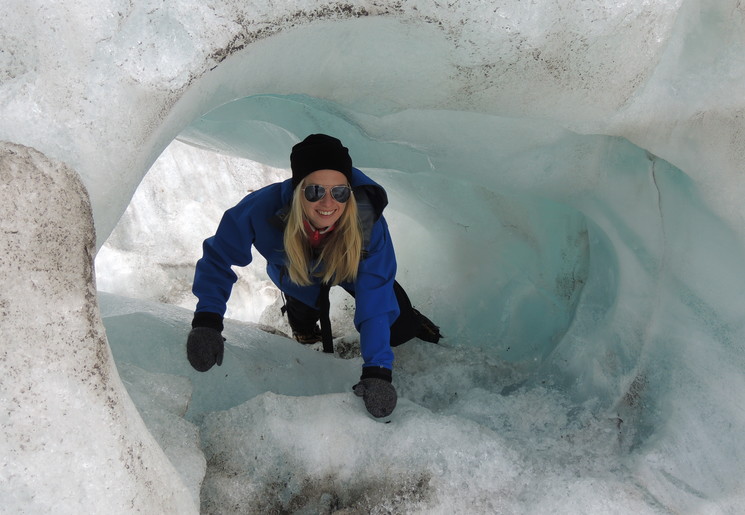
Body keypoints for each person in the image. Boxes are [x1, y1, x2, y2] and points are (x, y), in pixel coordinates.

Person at [186, 134, 440, 418]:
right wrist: (207, 321)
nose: (328, 202)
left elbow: (376, 295)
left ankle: (411, 319)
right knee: (305, 312)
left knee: (398, 323)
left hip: (349, 267)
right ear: (299, 190)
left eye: (340, 192)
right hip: (296, 272)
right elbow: (219, 257)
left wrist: (378, 370)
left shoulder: (367, 221)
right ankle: (302, 321)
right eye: (315, 192)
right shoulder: (262, 208)